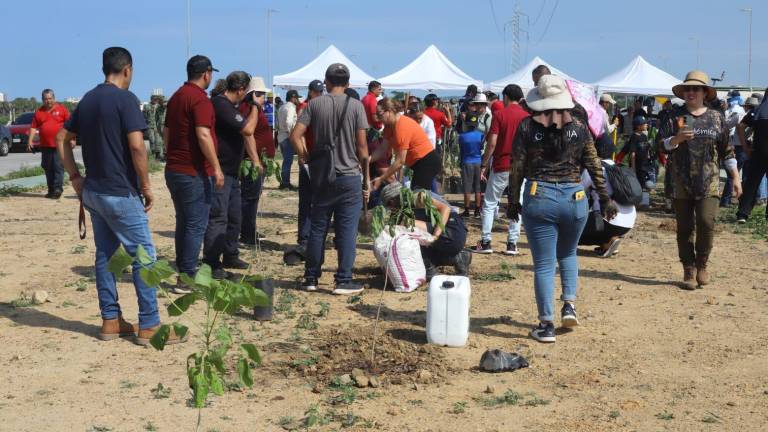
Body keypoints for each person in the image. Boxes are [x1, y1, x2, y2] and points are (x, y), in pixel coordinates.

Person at [55, 47, 185, 346]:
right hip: (120, 192)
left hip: (94, 193)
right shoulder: (126, 100)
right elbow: (138, 147)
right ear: (127, 69)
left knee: (107, 257)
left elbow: (62, 138)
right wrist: (146, 186)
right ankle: (150, 325)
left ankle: (111, 320)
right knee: (144, 258)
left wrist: (75, 177)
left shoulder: (88, 99)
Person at [507, 75, 617, 343]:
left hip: (539, 195)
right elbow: (594, 164)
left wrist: (512, 200)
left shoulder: (526, 127)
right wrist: (605, 198)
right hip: (574, 196)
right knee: (568, 254)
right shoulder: (579, 127)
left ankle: (546, 325)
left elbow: (517, 167)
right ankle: (569, 304)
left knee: (544, 265)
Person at [290, 63, 369, 295]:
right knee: (346, 230)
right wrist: (366, 177)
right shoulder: (356, 106)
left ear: (327, 81)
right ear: (348, 83)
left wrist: (305, 156)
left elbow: (295, 136)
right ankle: (343, 280)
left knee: (318, 227)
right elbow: (363, 148)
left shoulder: (314, 104)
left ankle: (311, 277)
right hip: (349, 176)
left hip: (322, 174)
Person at [657, 70, 741, 290]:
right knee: (684, 228)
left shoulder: (716, 118)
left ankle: (702, 262)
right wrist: (676, 139)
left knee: (706, 223)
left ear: (705, 92)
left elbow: (728, 151)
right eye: (687, 89)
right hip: (680, 182)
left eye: (696, 89)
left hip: (709, 181)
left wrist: (736, 179)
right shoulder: (674, 117)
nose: (691, 92)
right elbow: (658, 145)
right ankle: (688, 268)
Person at [164, 54, 224, 293]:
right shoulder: (199, 100)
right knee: (195, 225)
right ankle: (187, 277)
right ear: (206, 73)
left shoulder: (177, 96)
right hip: (193, 172)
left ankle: (184, 269)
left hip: (175, 170)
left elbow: (167, 132)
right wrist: (217, 167)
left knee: (184, 222)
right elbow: (203, 134)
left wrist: (171, 156)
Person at [203, 72, 263, 279]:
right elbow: (248, 129)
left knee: (234, 216)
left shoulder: (231, 107)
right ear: (240, 90)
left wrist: (255, 159)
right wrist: (256, 105)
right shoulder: (221, 105)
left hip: (232, 171)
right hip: (220, 171)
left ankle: (230, 253)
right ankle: (211, 261)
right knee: (218, 217)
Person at [472, 84, 528, 255]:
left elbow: (492, 143)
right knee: (515, 203)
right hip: (521, 167)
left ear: (506, 97)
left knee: (490, 204)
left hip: (502, 164)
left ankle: (486, 241)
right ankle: (512, 244)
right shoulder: (527, 117)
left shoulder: (499, 115)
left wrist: (484, 163)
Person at [380, 182, 470, 279]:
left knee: (406, 226)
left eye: (390, 204)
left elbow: (446, 209)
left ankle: (429, 267)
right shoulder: (403, 208)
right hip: (449, 235)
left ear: (394, 199)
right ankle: (457, 258)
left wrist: (435, 235)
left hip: (453, 231)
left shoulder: (417, 197)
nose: (391, 209)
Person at [579, 139, 636, 257]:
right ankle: (608, 242)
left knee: (571, 233)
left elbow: (577, 189)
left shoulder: (595, 168)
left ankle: (607, 241)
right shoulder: (619, 167)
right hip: (628, 223)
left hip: (608, 221)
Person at [370, 98, 440, 191]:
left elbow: (400, 162)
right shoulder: (389, 126)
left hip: (427, 161)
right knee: (419, 197)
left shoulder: (401, 127)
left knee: (418, 197)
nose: (378, 118)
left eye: (380, 115)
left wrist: (381, 178)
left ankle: (446, 206)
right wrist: (367, 160)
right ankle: (444, 206)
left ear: (389, 111)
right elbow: (382, 148)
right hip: (418, 163)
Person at [240, 79, 274, 247]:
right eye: (260, 94)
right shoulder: (248, 109)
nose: (264, 98)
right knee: (249, 197)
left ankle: (249, 229)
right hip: (252, 161)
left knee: (253, 197)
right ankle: (246, 233)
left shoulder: (256, 109)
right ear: (253, 94)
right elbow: (248, 133)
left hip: (259, 159)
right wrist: (255, 160)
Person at [28, 89, 69, 199]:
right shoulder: (39, 112)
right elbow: (33, 127)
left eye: (50, 98)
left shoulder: (62, 109)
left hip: (59, 145)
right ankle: (51, 190)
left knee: (57, 167)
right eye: (46, 99)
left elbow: (70, 125)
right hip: (45, 145)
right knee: (47, 167)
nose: (48, 101)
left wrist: (72, 139)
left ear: (54, 98)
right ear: (42, 100)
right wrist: (30, 141)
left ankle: (57, 189)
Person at [736, 90, 768, 223]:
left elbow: (740, 126)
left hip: (758, 153)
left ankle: (743, 214)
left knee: (751, 184)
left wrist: (745, 147)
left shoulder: (758, 110)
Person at [720, 91, 747, 207]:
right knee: (736, 174)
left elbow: (725, 125)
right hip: (740, 146)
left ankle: (727, 199)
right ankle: (730, 200)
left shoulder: (733, 111)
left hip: (733, 145)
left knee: (731, 174)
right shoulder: (740, 111)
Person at [622, 116, 654, 207]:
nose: (646, 125)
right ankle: (637, 202)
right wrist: (633, 168)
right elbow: (632, 153)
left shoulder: (644, 136)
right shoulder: (634, 137)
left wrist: (648, 158)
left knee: (645, 183)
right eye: (644, 124)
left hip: (645, 164)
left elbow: (647, 150)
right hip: (637, 165)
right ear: (638, 126)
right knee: (638, 184)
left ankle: (643, 202)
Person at [458, 113, 483, 217]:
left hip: (467, 161)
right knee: (478, 188)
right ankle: (477, 210)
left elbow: (461, 150)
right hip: (478, 161)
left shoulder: (462, 136)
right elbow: (481, 148)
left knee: (467, 188)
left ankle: (467, 210)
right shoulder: (481, 135)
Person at [277, 89, 300, 190]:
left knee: (286, 161)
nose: (297, 100)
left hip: (281, 136)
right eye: (296, 98)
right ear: (293, 98)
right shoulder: (291, 107)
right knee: (288, 161)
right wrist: (292, 135)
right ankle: (286, 183)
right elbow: (289, 122)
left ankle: (284, 182)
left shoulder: (282, 107)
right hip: (287, 137)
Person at [143, 95, 164, 161]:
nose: (155, 100)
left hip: (157, 126)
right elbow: (144, 115)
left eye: (156, 99)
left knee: (158, 141)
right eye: (154, 99)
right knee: (152, 140)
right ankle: (153, 153)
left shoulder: (158, 106)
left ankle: (158, 155)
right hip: (150, 126)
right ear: (151, 99)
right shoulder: (147, 106)